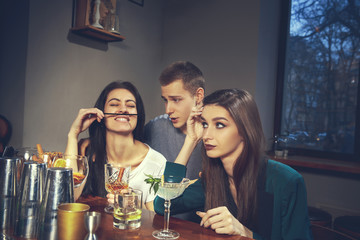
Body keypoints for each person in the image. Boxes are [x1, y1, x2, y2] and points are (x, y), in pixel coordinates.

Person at [154, 89, 312, 239]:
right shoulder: (212, 179)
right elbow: (163, 205)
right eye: (204, 124)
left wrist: (245, 233)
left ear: (245, 130)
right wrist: (190, 140)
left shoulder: (287, 181)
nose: (206, 135)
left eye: (220, 125)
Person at [65, 81, 166, 210]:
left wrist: (134, 204)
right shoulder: (85, 151)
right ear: (100, 114)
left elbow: (156, 221)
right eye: (114, 104)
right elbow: (67, 197)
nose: (123, 109)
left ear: (138, 115)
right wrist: (73, 135)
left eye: (130, 105)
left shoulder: (156, 162)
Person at [144, 60, 205, 181]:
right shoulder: (155, 127)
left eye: (176, 100)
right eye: (165, 100)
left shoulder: (216, 133)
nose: (168, 110)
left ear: (198, 96)